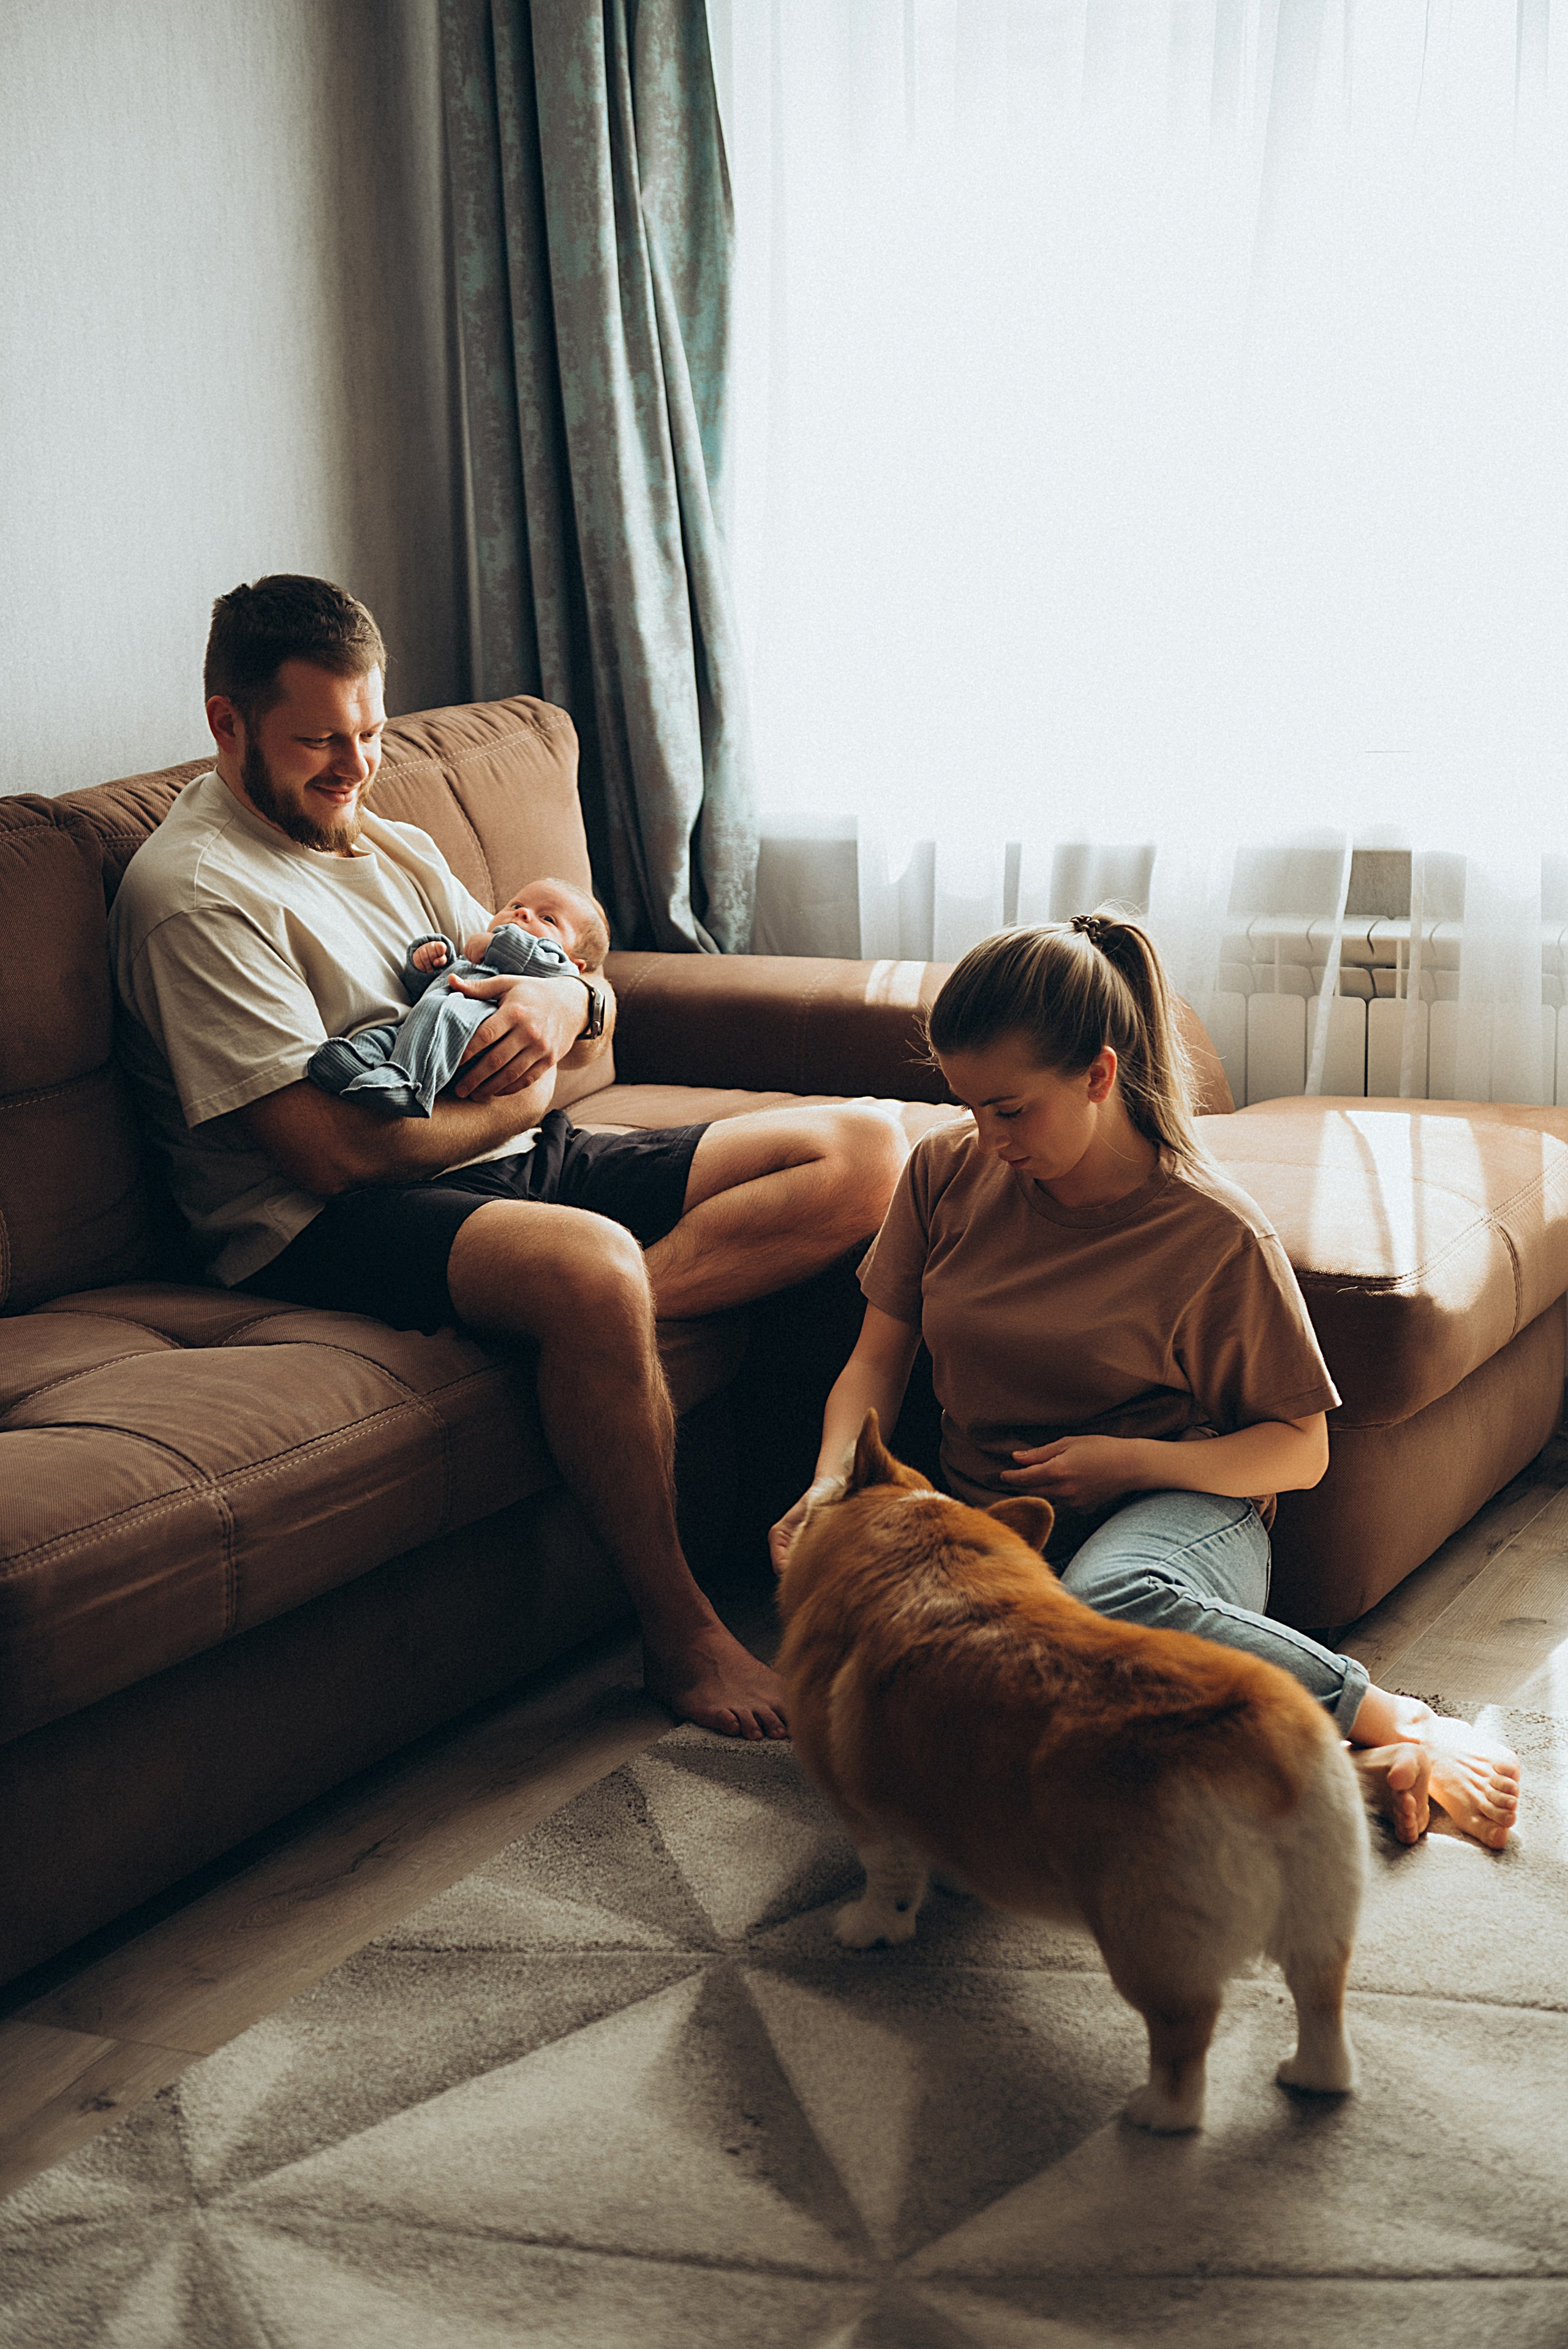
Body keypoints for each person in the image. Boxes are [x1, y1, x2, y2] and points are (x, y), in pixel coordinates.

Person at [110, 574, 910, 1740]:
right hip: (310, 1226)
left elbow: (555, 1013)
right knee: (587, 1265)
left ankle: (610, 1339)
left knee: (867, 1146)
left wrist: (570, 1002)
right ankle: (679, 1633)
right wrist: (533, 1078)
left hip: (498, 1163)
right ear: (226, 724)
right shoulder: (196, 893)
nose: (354, 766)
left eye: (372, 732)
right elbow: (329, 1153)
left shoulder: (388, 842)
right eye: (319, 741)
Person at [771, 912, 1521, 1848]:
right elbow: (875, 1364)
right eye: (969, 1108)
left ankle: (1398, 1722)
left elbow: (1302, 1451)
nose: (988, 1137)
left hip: (1178, 1514)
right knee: (910, 1725)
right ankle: (1340, 1778)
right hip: (1001, 1534)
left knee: (1108, 1605)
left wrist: (1128, 1464)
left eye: (1010, 1109)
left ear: (1099, 1074)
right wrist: (835, 1486)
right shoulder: (942, 1174)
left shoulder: (1210, 1233)